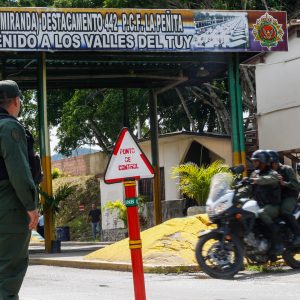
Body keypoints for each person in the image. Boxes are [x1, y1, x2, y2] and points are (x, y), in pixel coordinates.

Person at [0, 80, 39, 299]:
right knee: (8, 277)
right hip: (8, 211)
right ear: (16, 101)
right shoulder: (9, 127)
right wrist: (31, 205)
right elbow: (19, 171)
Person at [235, 150, 282, 255]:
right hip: (258, 204)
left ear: (263, 161)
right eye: (254, 161)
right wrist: (235, 197)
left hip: (272, 206)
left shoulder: (272, 173)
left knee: (262, 213)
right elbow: (247, 189)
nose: (254, 163)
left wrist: (257, 180)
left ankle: (277, 243)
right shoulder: (255, 174)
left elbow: (272, 179)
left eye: (256, 161)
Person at [267, 150, 300, 240]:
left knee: (284, 210)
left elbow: (296, 185)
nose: (270, 165)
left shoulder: (287, 169)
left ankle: (298, 234)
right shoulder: (269, 172)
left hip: (289, 196)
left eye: (271, 163)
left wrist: (284, 183)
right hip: (277, 197)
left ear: (276, 161)